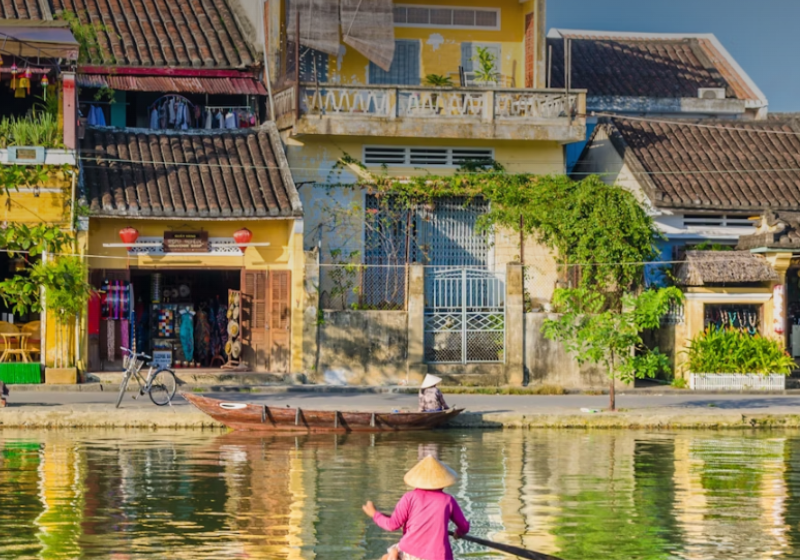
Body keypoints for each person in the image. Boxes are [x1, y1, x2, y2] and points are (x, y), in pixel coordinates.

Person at [362, 455, 469, 560]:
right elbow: (464, 526)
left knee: (387, 556)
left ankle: (393, 554)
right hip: (439, 556)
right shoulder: (448, 500)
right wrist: (458, 533)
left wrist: (375, 514)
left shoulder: (409, 497)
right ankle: (393, 554)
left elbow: (392, 525)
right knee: (388, 556)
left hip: (410, 553)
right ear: (443, 482)